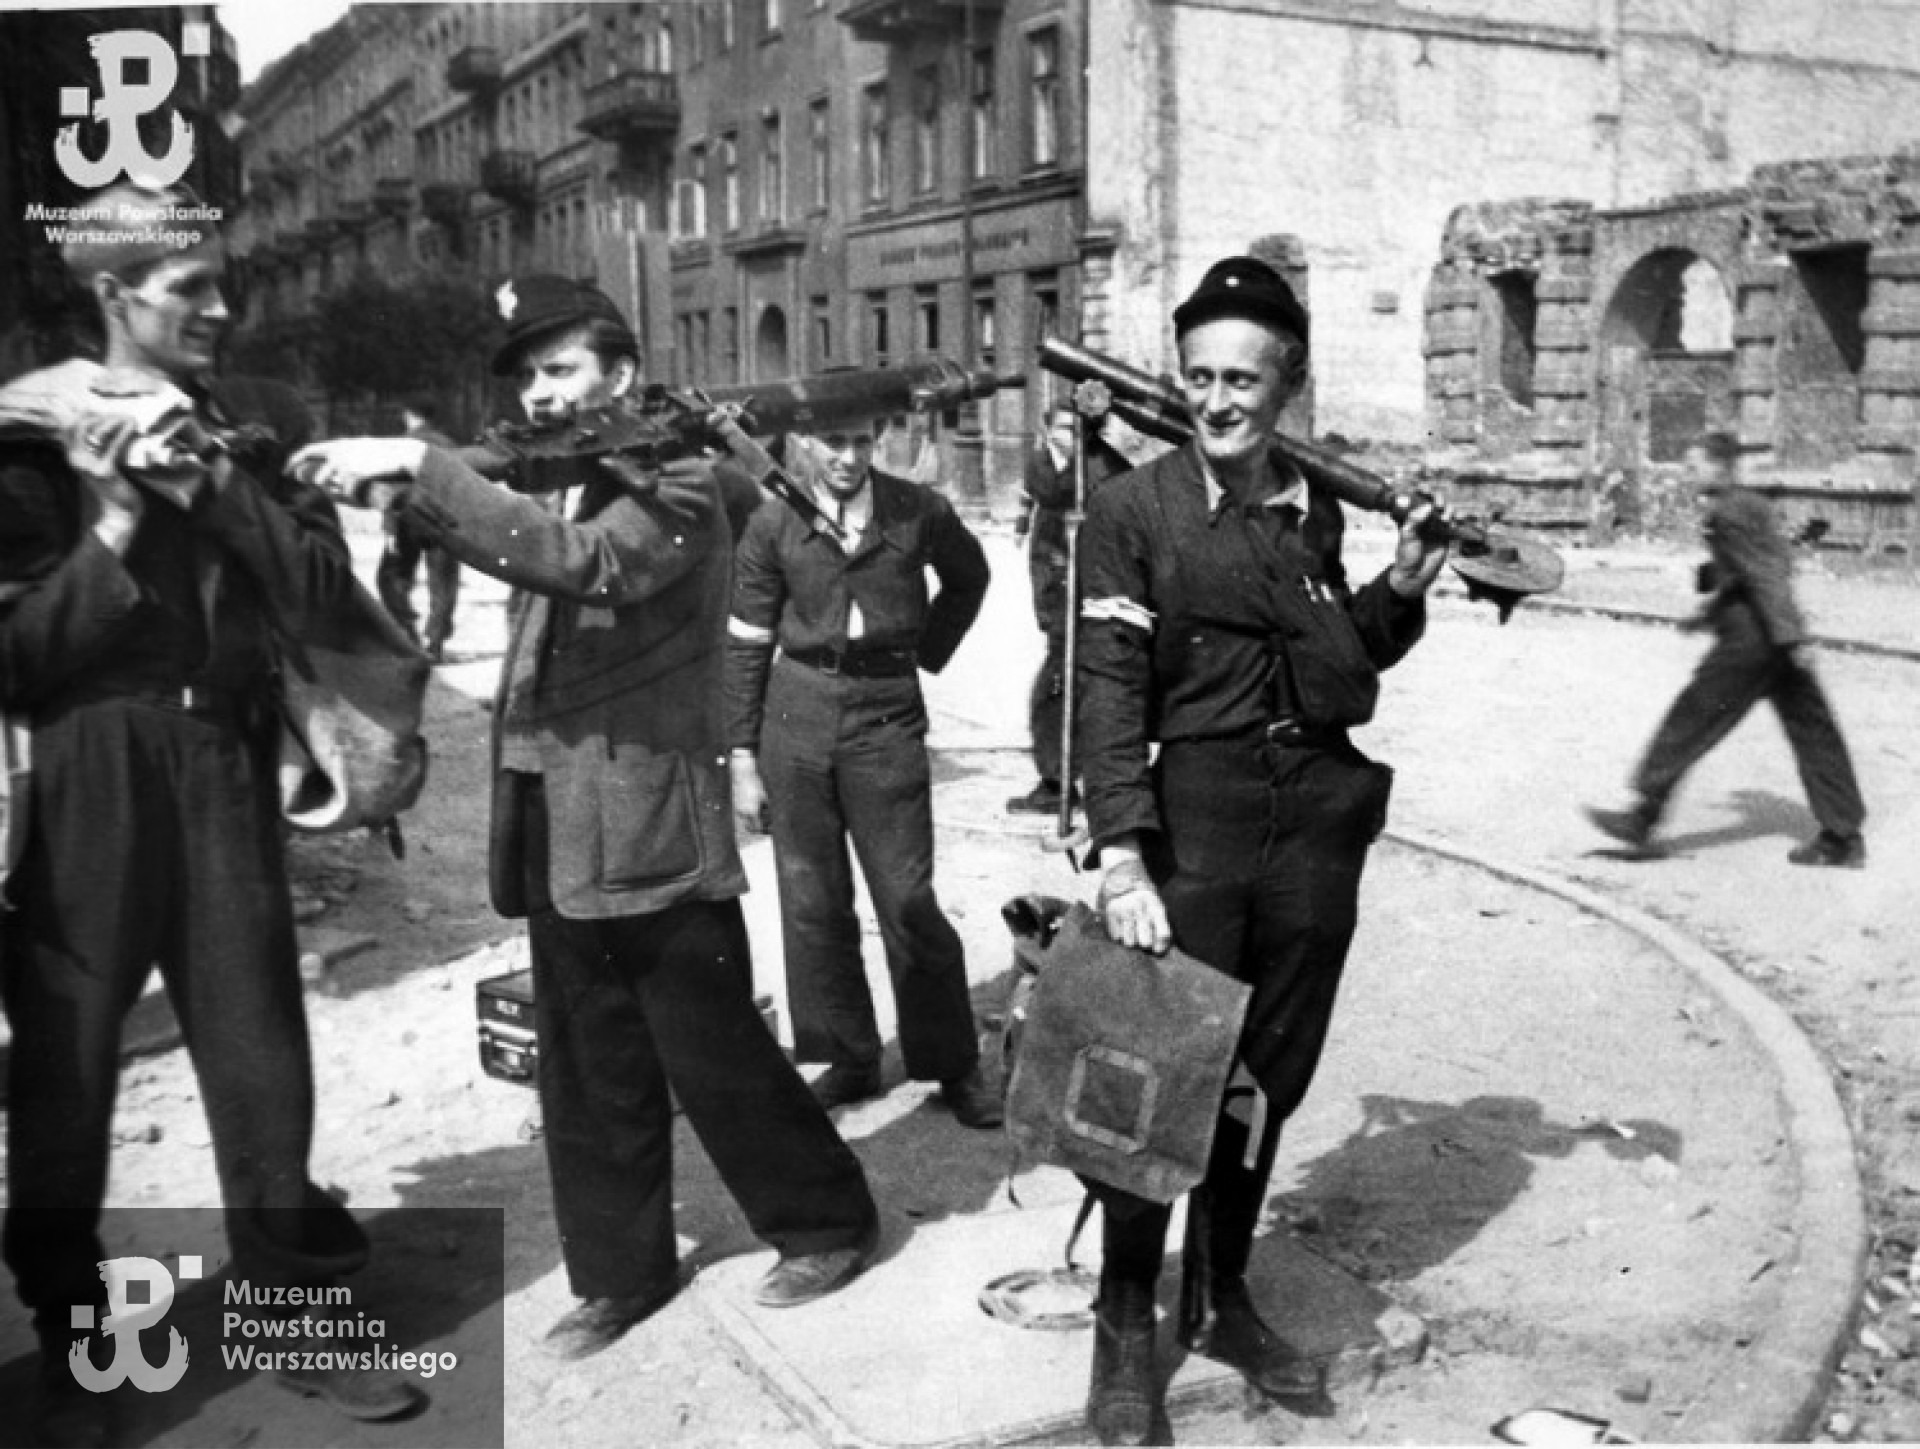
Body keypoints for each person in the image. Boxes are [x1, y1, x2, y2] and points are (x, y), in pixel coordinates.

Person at [289, 274, 881, 1361]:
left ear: (620, 370)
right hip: (560, 812)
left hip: (652, 811)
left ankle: (827, 1221)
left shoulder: (685, 482)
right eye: (527, 374)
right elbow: (493, 486)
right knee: (585, 1057)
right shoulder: (548, 468)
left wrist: (415, 468)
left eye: (561, 370)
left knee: (713, 1048)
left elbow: (587, 563)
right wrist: (388, 471)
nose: (541, 393)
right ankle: (620, 1273)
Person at [0, 182, 427, 1446]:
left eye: (220, 284)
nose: (222, 308)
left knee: (258, 1056)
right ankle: (79, 1348)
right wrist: (120, 520)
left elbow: (314, 590)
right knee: (68, 1070)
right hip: (84, 767)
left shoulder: (244, 427)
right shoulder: (31, 440)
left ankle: (293, 1325)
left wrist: (208, 485)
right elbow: (17, 660)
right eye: (190, 288)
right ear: (112, 295)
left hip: (220, 758)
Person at [1071, 255, 1450, 1444]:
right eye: (1199, 377)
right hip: (1200, 823)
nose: (1219, 399)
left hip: (1315, 829)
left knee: (1261, 1078)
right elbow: (1108, 688)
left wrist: (1396, 592)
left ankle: (1219, 1292)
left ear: (1287, 385)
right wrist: (1125, 856)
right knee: (1154, 1077)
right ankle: (1127, 1320)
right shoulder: (1136, 512)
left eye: (1243, 377)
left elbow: (1338, 665)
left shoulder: (1317, 507)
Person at [724, 424, 1002, 1126]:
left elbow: (970, 577)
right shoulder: (771, 520)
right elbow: (747, 641)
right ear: (803, 442)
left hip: (886, 715)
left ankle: (951, 1062)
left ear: (878, 437)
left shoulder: (917, 509)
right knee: (812, 900)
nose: (847, 458)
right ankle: (848, 1056)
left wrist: (925, 650)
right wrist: (742, 758)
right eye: (830, 442)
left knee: (906, 895)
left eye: (860, 440)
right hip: (797, 716)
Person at [1584, 430, 1866, 866]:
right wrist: (1716, 612)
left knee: (1692, 717)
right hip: (1772, 636)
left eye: (1694, 466)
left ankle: (1641, 820)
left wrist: (1792, 638)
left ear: (1719, 466)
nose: (1688, 474)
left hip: (1751, 641)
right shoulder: (1750, 503)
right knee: (1814, 730)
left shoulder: (1727, 512)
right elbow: (1766, 564)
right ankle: (1843, 837)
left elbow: (1765, 573)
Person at [1006, 404, 1127, 817]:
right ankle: (1062, 775)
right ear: (1045, 429)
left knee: (1061, 682)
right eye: (1061, 427)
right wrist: (1022, 526)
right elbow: (1033, 494)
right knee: (1061, 679)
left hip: (1086, 588)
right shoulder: (1044, 462)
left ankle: (1060, 779)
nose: (1070, 435)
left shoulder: (1100, 469)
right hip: (1053, 581)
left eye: (1079, 428)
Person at [374, 397, 462, 661]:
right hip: (444, 520)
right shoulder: (449, 444)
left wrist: (389, 528)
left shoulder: (401, 444)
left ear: (408, 413)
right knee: (443, 583)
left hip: (406, 520)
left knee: (391, 578)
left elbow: (390, 488)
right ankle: (435, 644)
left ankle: (407, 635)